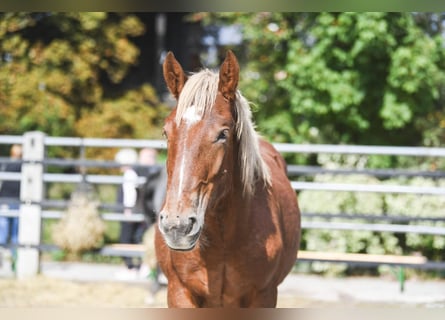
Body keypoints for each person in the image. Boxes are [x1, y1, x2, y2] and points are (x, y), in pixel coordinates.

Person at [114, 148, 146, 279]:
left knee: (126, 238)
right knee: (135, 238)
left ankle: (130, 267)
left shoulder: (129, 174)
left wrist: (128, 210)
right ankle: (134, 266)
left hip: (129, 212)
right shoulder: (134, 173)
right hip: (133, 211)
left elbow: (130, 194)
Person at [0, 144, 22, 247]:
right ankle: (11, 256)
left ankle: (12, 256)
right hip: (9, 200)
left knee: (11, 230)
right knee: (8, 229)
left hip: (12, 200)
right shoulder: (6, 164)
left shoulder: (5, 164)